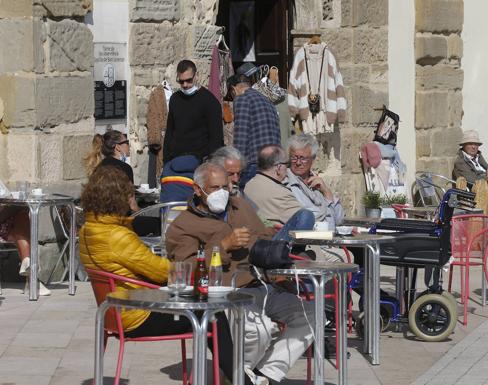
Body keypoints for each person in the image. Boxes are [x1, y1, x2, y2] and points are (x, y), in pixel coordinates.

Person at [79, 165, 241, 384]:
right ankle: (238, 379)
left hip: (112, 312)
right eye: (129, 193)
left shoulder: (88, 229)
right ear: (119, 198)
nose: (132, 197)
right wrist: (193, 263)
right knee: (213, 315)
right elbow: (161, 272)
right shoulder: (117, 236)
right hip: (136, 315)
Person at [165, 162, 314, 384]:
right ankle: (238, 375)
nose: (222, 193)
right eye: (215, 188)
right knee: (260, 330)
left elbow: (262, 235)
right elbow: (186, 269)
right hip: (227, 293)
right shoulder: (183, 225)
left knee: (311, 314)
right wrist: (223, 245)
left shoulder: (239, 206)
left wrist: (275, 251)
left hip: (260, 284)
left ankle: (264, 373)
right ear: (198, 189)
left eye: (226, 187)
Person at [84, 130, 160, 236]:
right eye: (127, 142)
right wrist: (143, 212)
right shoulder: (124, 168)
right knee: (159, 223)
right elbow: (132, 205)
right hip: (120, 224)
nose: (129, 146)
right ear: (117, 147)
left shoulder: (98, 168)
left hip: (100, 222)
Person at [243, 145, 315, 237]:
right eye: (286, 164)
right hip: (275, 243)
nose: (288, 169)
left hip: (257, 238)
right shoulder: (280, 193)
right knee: (307, 215)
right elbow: (306, 222)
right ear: (278, 167)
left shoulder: (249, 185)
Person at [163, 59, 223, 164]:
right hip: (176, 160)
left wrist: (210, 163)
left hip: (200, 162)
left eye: (189, 80)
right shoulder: (175, 99)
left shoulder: (210, 101)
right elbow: (170, 132)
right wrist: (166, 160)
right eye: (181, 81)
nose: (185, 85)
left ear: (196, 76)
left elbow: (216, 138)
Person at [229, 72, 281, 190]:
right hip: (273, 162)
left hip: (254, 163)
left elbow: (241, 135)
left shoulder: (242, 98)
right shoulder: (267, 101)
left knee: (249, 204)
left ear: (233, 89)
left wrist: (236, 166)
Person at [285, 134, 344, 229]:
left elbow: (339, 219)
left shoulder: (317, 183)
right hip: (308, 241)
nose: (298, 163)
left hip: (328, 241)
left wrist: (327, 192)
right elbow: (311, 219)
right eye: (294, 158)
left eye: (303, 158)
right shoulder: (287, 184)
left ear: (313, 159)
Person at [0, 208, 51, 296]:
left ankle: (28, 263)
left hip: (9, 222)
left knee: (22, 215)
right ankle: (32, 278)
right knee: (22, 221)